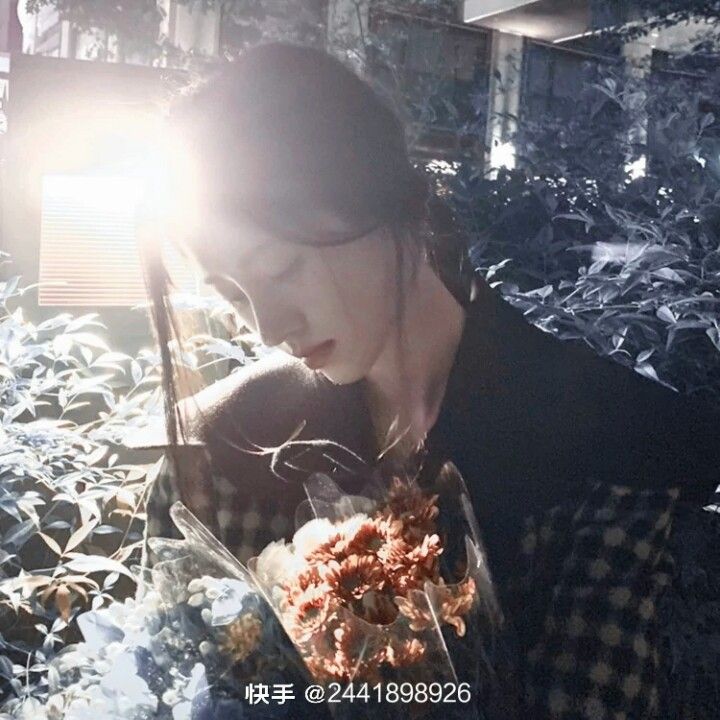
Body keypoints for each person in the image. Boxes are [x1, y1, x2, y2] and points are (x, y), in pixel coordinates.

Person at [139, 42, 720, 719]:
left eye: (281, 269)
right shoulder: (219, 456)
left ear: (385, 198)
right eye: (231, 293)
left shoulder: (623, 450)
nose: (267, 326)